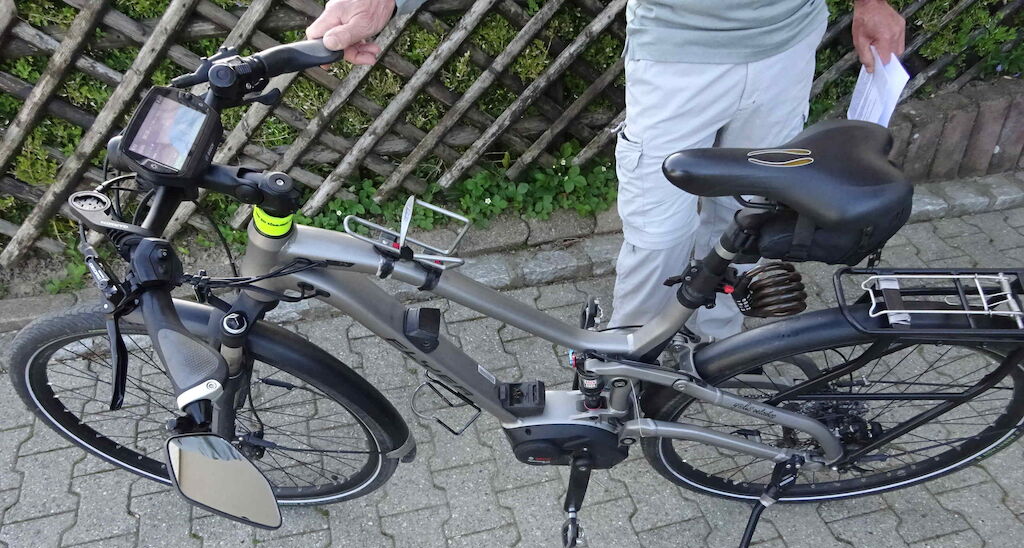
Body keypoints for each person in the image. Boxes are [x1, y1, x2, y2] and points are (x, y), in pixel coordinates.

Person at [306, 0, 905, 337]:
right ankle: (637, 353)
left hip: (791, 42)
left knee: (749, 211)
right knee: (659, 228)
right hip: (679, 56)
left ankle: (718, 338)